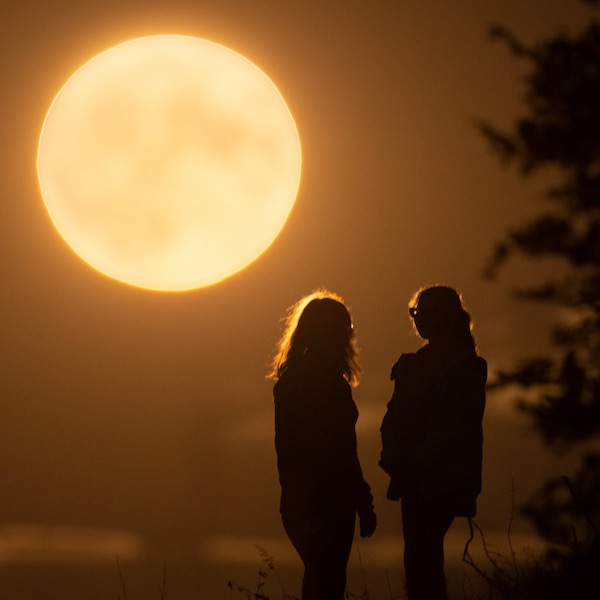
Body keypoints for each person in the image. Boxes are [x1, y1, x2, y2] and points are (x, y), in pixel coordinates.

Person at [379, 285, 487, 600]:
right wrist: (394, 457)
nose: (418, 319)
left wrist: (414, 465)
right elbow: (392, 417)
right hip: (412, 478)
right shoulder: (412, 365)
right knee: (418, 560)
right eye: (415, 312)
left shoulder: (466, 366)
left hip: (439, 479)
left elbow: (457, 427)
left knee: (423, 559)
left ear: (446, 317)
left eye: (424, 312)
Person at [269, 289, 377, 600]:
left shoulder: (291, 381)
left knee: (320, 578)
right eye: (340, 330)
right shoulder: (329, 384)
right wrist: (363, 501)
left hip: (303, 500)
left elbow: (289, 452)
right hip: (327, 500)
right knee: (328, 581)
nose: (344, 337)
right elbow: (342, 452)